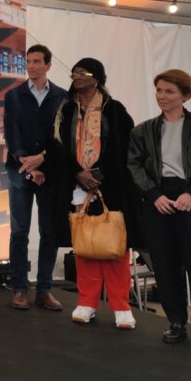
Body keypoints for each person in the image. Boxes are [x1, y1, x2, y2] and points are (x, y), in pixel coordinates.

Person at [128, 69, 191, 349]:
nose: (162, 96)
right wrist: (153, 195)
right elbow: (134, 165)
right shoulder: (143, 130)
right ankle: (176, 322)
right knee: (165, 264)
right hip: (158, 200)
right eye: (159, 90)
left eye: (169, 91)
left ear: (185, 95)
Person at [52, 57, 139, 329]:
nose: (76, 77)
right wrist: (77, 172)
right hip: (77, 186)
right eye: (74, 73)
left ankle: (121, 306)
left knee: (115, 247)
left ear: (98, 78)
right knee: (85, 245)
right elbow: (58, 148)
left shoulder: (114, 109)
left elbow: (125, 149)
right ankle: (87, 302)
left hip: (110, 186)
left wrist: (98, 174)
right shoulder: (65, 110)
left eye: (83, 73)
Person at [3, 44, 67, 311]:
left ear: (48, 65)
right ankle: (20, 288)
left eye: (37, 61)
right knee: (19, 231)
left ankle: (44, 290)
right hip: (20, 170)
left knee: (49, 232)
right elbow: (11, 134)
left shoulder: (63, 97)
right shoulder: (14, 95)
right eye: (28, 61)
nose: (31, 66)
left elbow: (62, 137)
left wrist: (43, 159)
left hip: (50, 172)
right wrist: (29, 164)